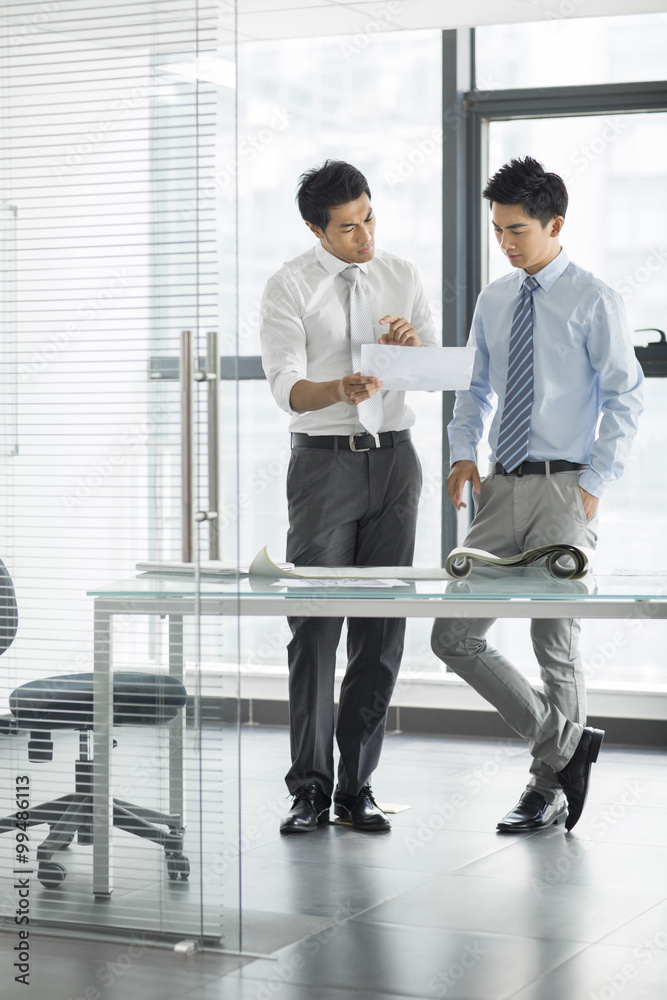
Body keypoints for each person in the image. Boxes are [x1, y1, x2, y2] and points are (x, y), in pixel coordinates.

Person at [431, 156, 643, 833]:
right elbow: (475, 387)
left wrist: (592, 487)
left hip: (561, 488)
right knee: (453, 636)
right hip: (498, 490)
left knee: (555, 643)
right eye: (497, 230)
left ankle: (547, 785)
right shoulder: (495, 299)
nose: (506, 243)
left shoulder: (594, 299)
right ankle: (566, 742)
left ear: (555, 223)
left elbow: (625, 397)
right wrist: (462, 453)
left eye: (517, 230)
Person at [260, 159, 438, 833]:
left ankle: (355, 786)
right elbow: (285, 387)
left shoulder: (401, 274)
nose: (364, 236)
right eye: (347, 227)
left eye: (369, 218)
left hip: (395, 463)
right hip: (324, 467)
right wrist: (339, 389)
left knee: (381, 628)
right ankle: (308, 787)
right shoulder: (289, 287)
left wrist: (410, 349)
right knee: (314, 626)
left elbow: (425, 372)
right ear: (316, 229)